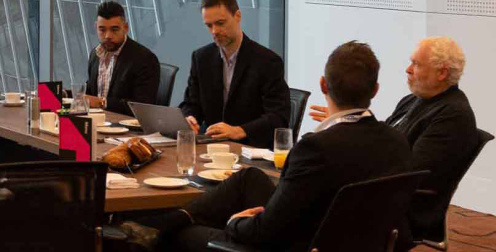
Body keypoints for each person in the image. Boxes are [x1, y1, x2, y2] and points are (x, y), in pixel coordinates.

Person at [129, 41, 412, 251]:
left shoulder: (316, 148)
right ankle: (171, 219)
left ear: (323, 85)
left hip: (296, 244)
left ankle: (162, 229)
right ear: (375, 90)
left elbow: (266, 230)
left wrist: (234, 222)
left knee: (183, 237)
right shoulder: (398, 142)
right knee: (249, 177)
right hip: (350, 239)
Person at [309, 36, 478, 244]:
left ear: (442, 73)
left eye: (415, 64)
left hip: (402, 211)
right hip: (381, 194)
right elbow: (381, 137)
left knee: (310, 204)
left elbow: (411, 171)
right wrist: (346, 117)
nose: (408, 69)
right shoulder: (414, 100)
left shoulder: (453, 115)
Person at [178, 0, 290, 147]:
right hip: (211, 146)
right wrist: (189, 118)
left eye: (220, 23)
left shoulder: (267, 61)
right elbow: (191, 103)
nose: (214, 31)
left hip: (249, 148)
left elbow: (279, 117)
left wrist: (239, 130)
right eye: (209, 26)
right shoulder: (201, 58)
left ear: (237, 16)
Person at [83, 1, 160, 117]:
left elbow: (143, 106)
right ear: (96, 27)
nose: (108, 36)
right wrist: (64, 94)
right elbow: (90, 92)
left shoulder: (145, 59)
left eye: (114, 30)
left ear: (126, 28)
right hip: (98, 123)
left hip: (126, 130)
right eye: (102, 30)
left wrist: (101, 102)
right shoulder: (95, 54)